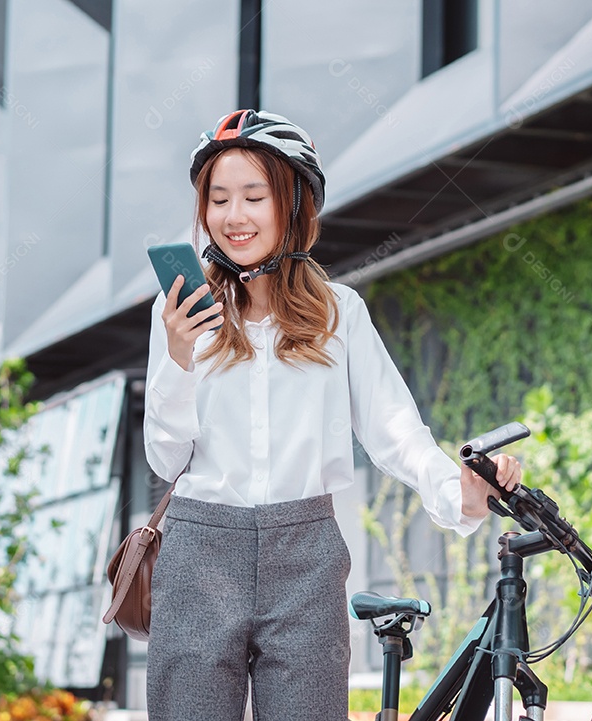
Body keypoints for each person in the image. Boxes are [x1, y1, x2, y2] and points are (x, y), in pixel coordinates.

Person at [143, 109, 521, 721]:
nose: (233, 216)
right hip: (199, 552)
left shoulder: (338, 313)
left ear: (292, 205)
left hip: (307, 555)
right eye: (217, 199)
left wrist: (463, 492)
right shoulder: (180, 312)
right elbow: (165, 460)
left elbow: (396, 432)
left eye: (253, 196)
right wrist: (180, 360)